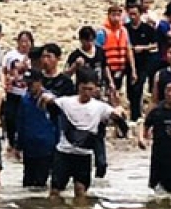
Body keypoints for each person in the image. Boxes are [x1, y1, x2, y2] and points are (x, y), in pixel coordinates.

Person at [45, 70, 125, 199]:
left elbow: (115, 113)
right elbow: (50, 102)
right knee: (54, 192)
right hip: (64, 152)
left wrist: (119, 111)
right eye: (84, 89)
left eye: (90, 89)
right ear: (78, 87)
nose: (87, 92)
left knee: (81, 191)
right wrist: (46, 98)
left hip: (84, 155)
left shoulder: (100, 107)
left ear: (95, 89)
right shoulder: (66, 102)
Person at [16, 72, 58, 189]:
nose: (29, 86)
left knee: (40, 183)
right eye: (27, 83)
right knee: (27, 183)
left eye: (32, 83)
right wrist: (18, 146)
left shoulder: (51, 101)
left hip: (46, 147)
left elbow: (59, 123)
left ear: (39, 82)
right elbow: (20, 123)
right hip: (29, 148)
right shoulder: (24, 100)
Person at [127, 8, 162, 123]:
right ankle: (133, 112)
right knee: (130, 89)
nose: (132, 17)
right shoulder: (125, 28)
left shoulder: (148, 29)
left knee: (139, 87)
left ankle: (137, 115)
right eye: (130, 14)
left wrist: (143, 48)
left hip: (143, 62)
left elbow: (155, 45)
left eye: (135, 14)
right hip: (128, 62)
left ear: (140, 15)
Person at [96, 5, 132, 107]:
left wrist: (132, 69)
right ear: (108, 15)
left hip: (120, 67)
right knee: (107, 91)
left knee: (116, 90)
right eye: (113, 15)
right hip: (106, 68)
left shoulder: (124, 31)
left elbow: (128, 48)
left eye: (118, 15)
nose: (116, 18)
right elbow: (98, 52)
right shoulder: (102, 32)